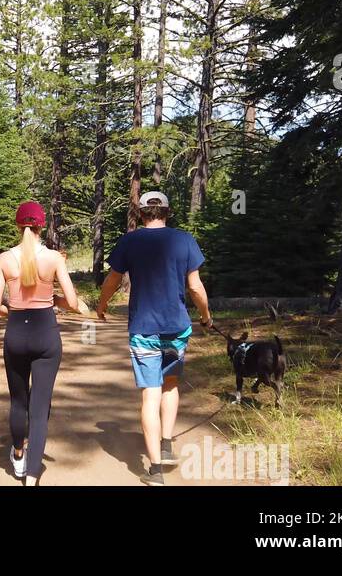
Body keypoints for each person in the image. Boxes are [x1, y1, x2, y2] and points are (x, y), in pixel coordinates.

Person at [96, 192, 212, 486]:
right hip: (176, 328)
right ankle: (166, 444)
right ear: (167, 211)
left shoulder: (130, 241)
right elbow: (195, 287)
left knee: (151, 393)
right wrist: (206, 314)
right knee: (170, 385)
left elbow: (112, 280)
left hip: (144, 329)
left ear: (141, 212)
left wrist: (102, 304)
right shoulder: (184, 240)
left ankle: (156, 471)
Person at [0, 201, 80, 485]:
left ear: (19, 225)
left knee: (18, 401)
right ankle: (31, 476)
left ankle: (18, 454)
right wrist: (54, 301)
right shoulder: (54, 258)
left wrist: (13, 312)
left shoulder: (5, 259)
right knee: (39, 409)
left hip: (16, 333)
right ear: (42, 226)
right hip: (46, 334)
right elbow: (74, 304)